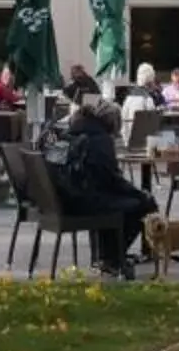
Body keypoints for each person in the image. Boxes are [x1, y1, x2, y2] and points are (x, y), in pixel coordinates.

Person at [50, 96, 155, 278]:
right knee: (144, 205)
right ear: (113, 124)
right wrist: (139, 194)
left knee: (117, 201)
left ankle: (107, 255)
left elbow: (54, 164)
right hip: (82, 202)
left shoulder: (66, 132)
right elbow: (112, 179)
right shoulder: (100, 140)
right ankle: (112, 257)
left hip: (62, 199)